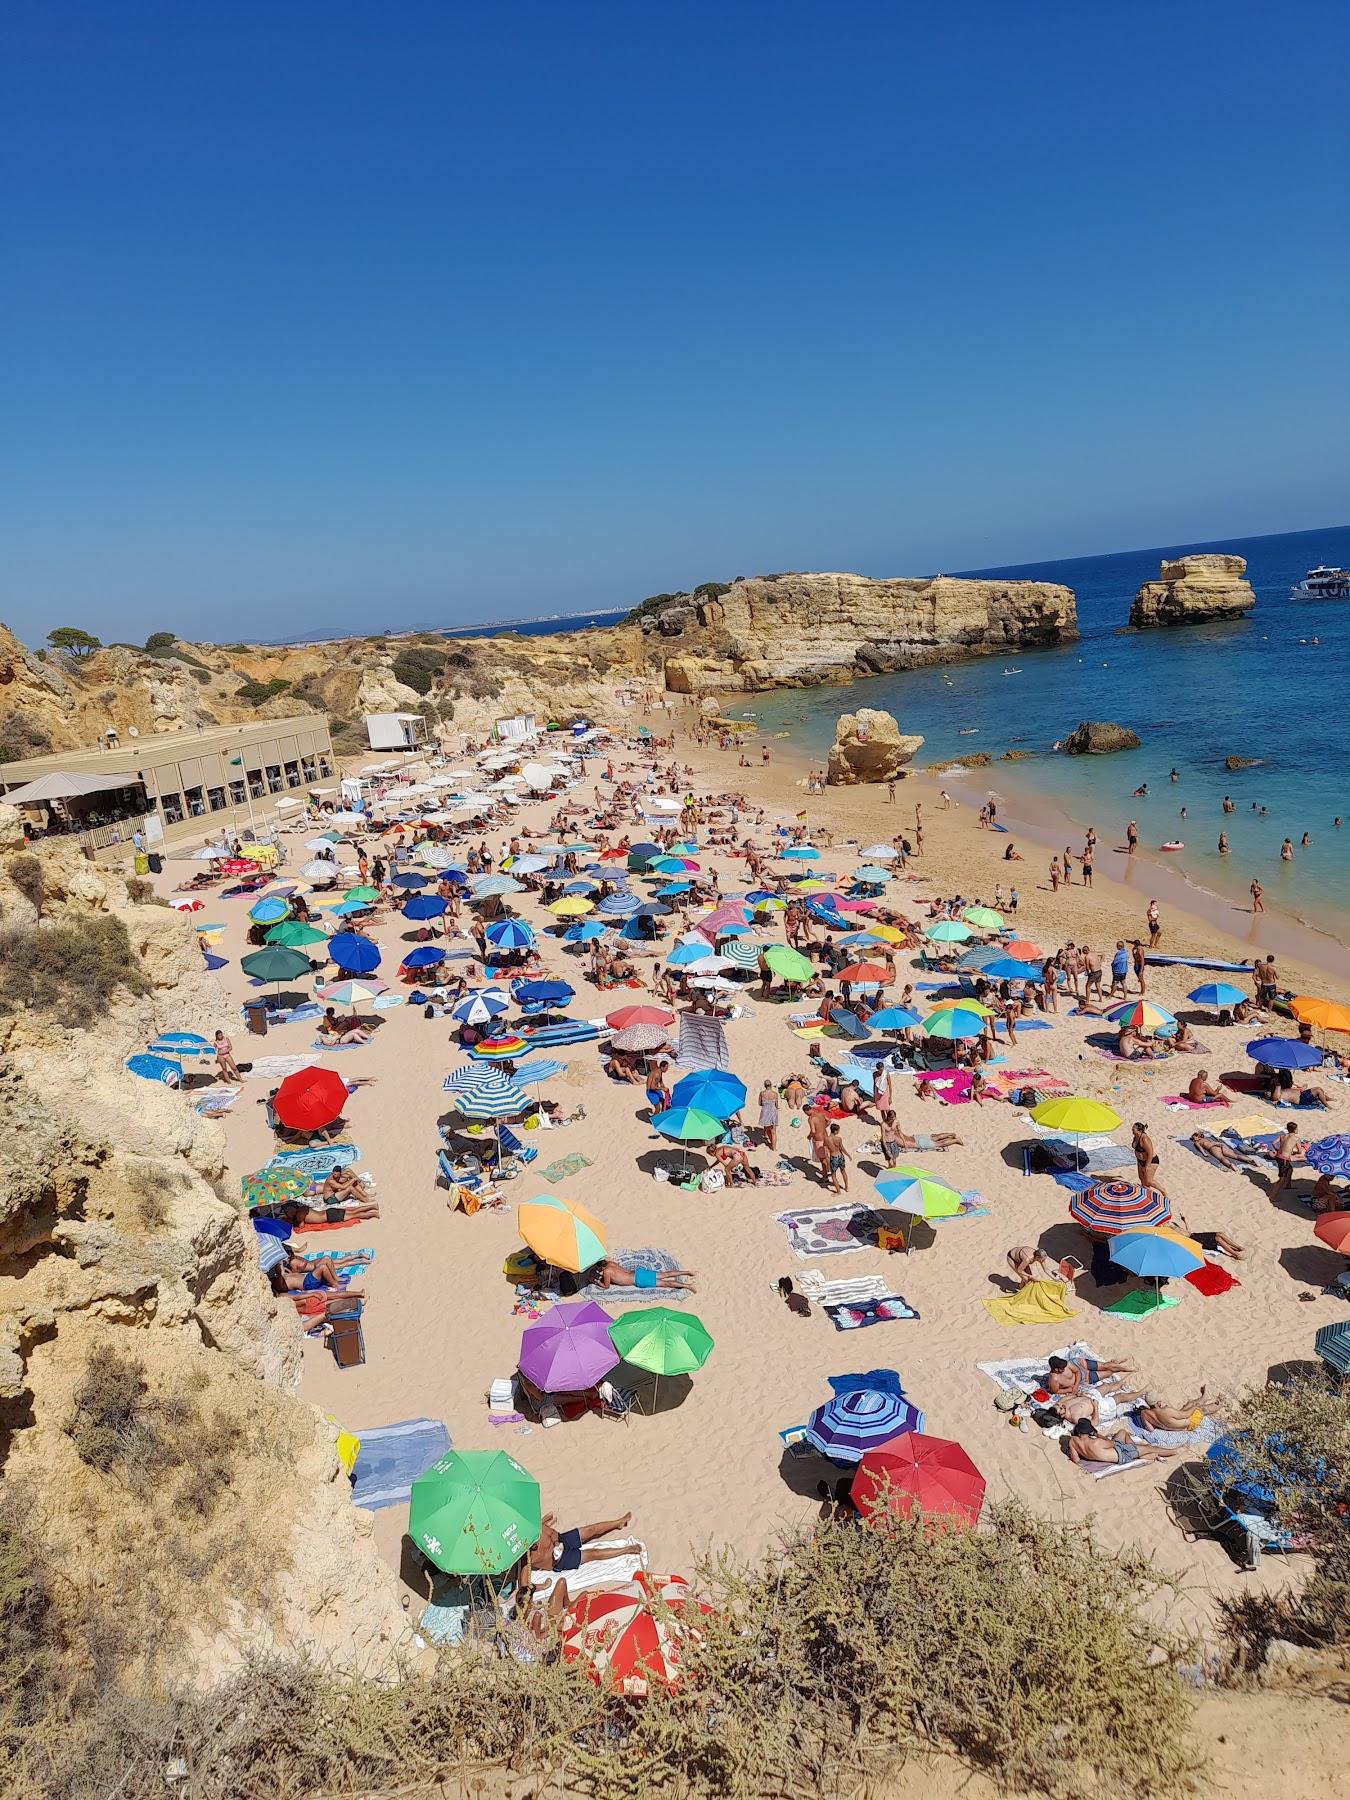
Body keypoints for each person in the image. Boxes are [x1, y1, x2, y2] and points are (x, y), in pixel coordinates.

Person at [529, 1512, 635, 1580]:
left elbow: (553, 1533)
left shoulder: (536, 1530)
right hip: (559, 1561)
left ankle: (618, 1523)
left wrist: (556, 1543)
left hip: (561, 1540)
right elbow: (525, 1579)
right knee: (593, 1553)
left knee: (590, 1530)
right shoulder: (527, 1558)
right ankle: (626, 1550)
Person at [1067, 1420, 1174, 1467]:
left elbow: (1076, 1460)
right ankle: (1173, 1451)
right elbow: (1112, 1443)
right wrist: (1098, 1435)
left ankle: (1138, 1451)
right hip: (1121, 1454)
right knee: (1150, 1447)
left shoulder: (1072, 1441)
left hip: (1113, 1452)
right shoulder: (1097, 1442)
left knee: (1122, 1432)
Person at [1128, 1388, 1219, 1434]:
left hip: (1173, 1426)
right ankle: (1222, 1404)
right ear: (1157, 1402)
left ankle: (1204, 1397)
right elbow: (1185, 1415)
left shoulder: (1144, 1414)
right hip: (1189, 1424)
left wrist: (1161, 1425)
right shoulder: (1166, 1411)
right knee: (1202, 1410)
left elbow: (1150, 1430)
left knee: (1189, 1404)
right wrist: (1195, 1407)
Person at [1045, 1352, 1136, 1396]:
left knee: (1105, 1366)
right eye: (1061, 1369)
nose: (1063, 1369)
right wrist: (1069, 1389)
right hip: (1084, 1378)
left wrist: (1076, 1385)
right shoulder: (1054, 1380)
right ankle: (1116, 1364)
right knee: (1108, 1373)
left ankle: (1126, 1368)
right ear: (1055, 1369)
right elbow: (1055, 1391)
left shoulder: (1065, 1364)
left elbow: (1076, 1371)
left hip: (1079, 1364)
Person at [595, 1260, 696, 1291]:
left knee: (666, 1283)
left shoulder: (606, 1271)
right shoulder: (610, 1263)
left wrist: (598, 1282)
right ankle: (687, 1272)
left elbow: (606, 1286)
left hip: (638, 1279)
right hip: (637, 1272)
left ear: (602, 1268)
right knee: (666, 1274)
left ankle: (688, 1286)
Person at [825, 1122, 850, 1194]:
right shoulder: (839, 1139)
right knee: (843, 1171)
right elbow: (842, 1148)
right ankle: (846, 1187)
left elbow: (826, 1152)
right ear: (835, 1131)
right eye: (838, 1130)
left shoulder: (826, 1139)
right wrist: (848, 1155)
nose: (839, 1131)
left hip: (833, 1158)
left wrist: (828, 1162)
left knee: (833, 1175)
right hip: (840, 1156)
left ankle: (838, 1191)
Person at [757, 1079, 780, 1151]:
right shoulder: (775, 1094)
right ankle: (774, 1148)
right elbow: (776, 1105)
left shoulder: (762, 1093)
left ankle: (771, 1143)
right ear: (771, 1085)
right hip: (773, 1111)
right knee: (773, 1131)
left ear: (764, 1086)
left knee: (767, 1130)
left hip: (765, 1111)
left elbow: (760, 1103)